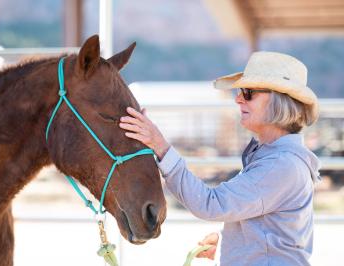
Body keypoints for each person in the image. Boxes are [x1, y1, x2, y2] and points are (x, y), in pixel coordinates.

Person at [119, 51, 321, 266]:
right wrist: (231, 239)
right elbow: (269, 224)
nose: (238, 98)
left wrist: (160, 145)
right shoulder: (278, 158)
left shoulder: (280, 165)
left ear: (278, 100)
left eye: (248, 92)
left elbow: (211, 204)